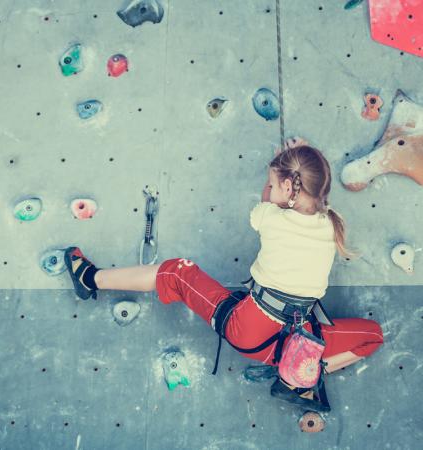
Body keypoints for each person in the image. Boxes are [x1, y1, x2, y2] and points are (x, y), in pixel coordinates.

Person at [63, 138, 384, 412]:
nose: (269, 188)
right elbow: (310, 190)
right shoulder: (331, 224)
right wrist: (299, 166)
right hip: (295, 343)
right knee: (373, 336)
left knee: (177, 272)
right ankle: (301, 374)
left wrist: (286, 171)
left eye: (273, 183)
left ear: (288, 188)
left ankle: (89, 279)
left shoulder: (270, 217)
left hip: (249, 330)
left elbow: (268, 202)